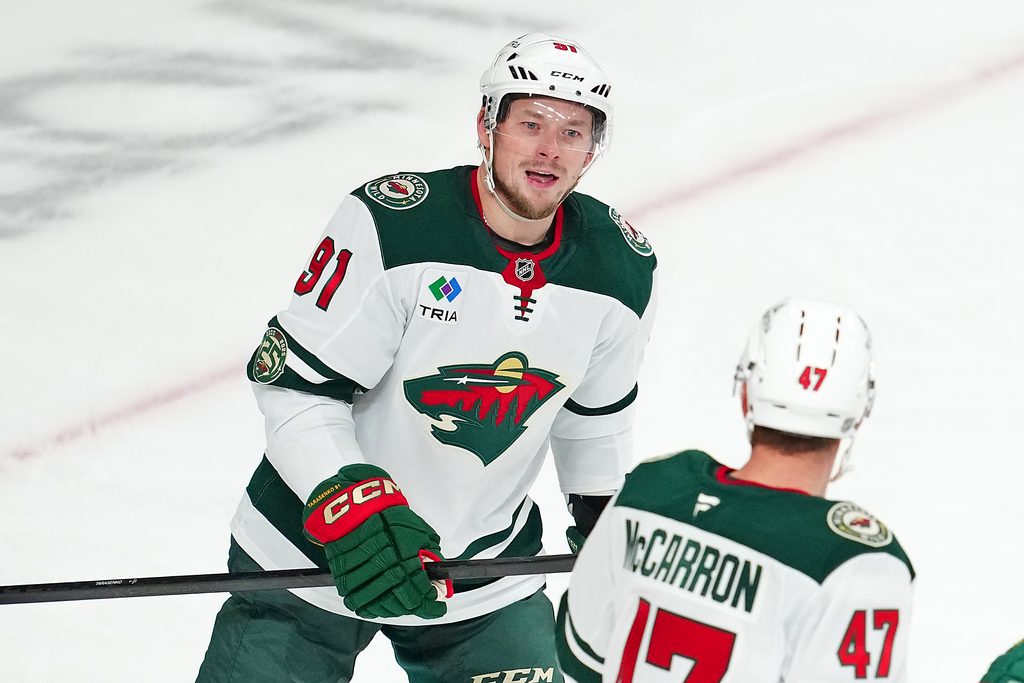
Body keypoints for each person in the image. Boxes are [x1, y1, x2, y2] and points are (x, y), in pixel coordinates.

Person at [197, 32, 657, 682]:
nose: (550, 149)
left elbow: (593, 420)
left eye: (574, 132)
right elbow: (299, 389)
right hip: (307, 554)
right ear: (486, 124)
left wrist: (601, 520)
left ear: (592, 151)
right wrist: (354, 507)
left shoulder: (619, 269)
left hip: (483, 572)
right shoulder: (394, 224)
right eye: (531, 123)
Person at [555, 297, 914, 682]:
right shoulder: (856, 562)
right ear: (859, 413)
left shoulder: (652, 492)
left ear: (745, 395)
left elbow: (580, 653)